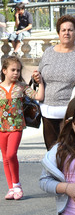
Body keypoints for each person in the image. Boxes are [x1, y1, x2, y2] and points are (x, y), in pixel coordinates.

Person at [33, 15, 75, 151]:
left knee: (69, 151)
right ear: (58, 33)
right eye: (63, 30)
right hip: (47, 112)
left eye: (70, 30)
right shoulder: (48, 53)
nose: (66, 33)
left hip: (70, 113)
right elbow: (40, 75)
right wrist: (37, 78)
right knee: (52, 153)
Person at [0, 56, 44, 200]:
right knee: (5, 158)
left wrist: (41, 83)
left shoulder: (21, 87)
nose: (16, 73)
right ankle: (11, 188)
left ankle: (17, 184)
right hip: (1, 128)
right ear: (4, 70)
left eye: (18, 70)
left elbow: (38, 96)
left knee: (11, 154)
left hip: (16, 127)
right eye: (13, 70)